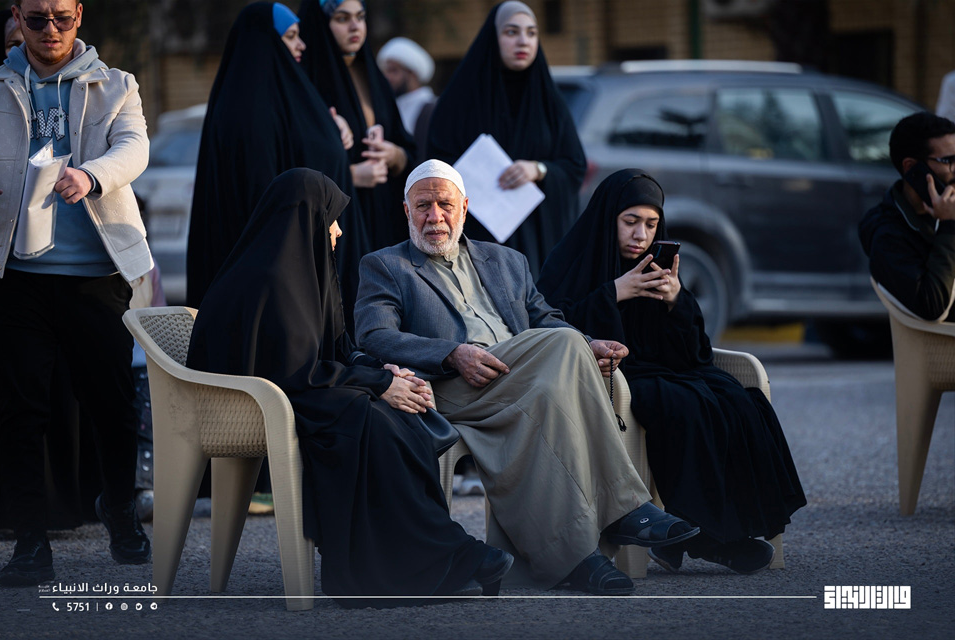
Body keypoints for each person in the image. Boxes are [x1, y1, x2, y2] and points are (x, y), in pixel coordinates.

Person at [355, 159, 699, 595]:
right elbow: (374, 335)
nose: (435, 217)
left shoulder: (506, 260)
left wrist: (589, 344)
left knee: (566, 357)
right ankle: (626, 508)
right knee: (564, 345)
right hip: (455, 387)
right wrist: (452, 353)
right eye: (423, 206)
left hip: (524, 380)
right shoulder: (385, 265)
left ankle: (575, 558)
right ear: (406, 211)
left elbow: (545, 318)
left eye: (445, 205)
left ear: (465, 207)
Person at [187, 168, 514, 606]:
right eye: (331, 219)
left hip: (294, 393)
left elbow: (336, 350)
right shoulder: (266, 280)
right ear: (305, 220)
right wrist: (378, 384)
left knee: (394, 415)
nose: (338, 230)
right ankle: (411, 566)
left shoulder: (303, 274)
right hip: (252, 405)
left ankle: (432, 560)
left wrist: (385, 373)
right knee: (368, 420)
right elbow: (292, 369)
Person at [537, 169, 807, 574]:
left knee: (738, 399)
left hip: (665, 369)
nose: (641, 235)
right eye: (630, 222)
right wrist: (614, 292)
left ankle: (732, 527)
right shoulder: (570, 259)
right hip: (609, 376)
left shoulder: (655, 267)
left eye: (651, 224)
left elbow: (695, 352)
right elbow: (550, 326)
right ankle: (706, 538)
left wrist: (676, 300)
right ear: (609, 218)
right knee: (679, 404)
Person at [0, 0, 153, 587]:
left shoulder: (116, 84)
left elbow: (133, 148)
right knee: (21, 408)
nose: (51, 30)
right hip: (16, 275)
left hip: (95, 272)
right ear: (17, 18)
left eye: (62, 17)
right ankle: (30, 541)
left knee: (111, 403)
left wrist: (92, 175)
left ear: (80, 15)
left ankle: (119, 507)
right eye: (37, 19)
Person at [186, 2, 362, 313]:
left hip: (313, 257)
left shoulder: (290, 97)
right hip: (281, 272)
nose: (301, 45)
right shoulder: (249, 112)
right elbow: (262, 193)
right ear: (265, 41)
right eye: (291, 36)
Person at [425, 1, 586, 277]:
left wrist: (538, 169)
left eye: (531, 33)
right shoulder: (460, 101)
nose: (523, 41)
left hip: (538, 243)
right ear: (494, 38)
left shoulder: (549, 102)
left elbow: (574, 166)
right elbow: (437, 163)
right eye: (512, 32)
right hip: (477, 242)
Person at [298, 0, 416, 255]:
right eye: (342, 18)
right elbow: (295, 158)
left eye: (360, 17)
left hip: (381, 215)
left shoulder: (373, 77)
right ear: (321, 23)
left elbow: (403, 142)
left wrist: (394, 155)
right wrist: (349, 175)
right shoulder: (305, 81)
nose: (355, 26)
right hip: (337, 223)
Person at [859, 112, 955, 322]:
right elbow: (932, 306)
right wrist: (949, 226)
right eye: (949, 160)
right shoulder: (888, 235)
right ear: (911, 167)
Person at [376, 36, 435, 137]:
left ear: (413, 74)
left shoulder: (430, 109)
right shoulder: (389, 107)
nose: (387, 77)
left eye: (393, 70)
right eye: (385, 71)